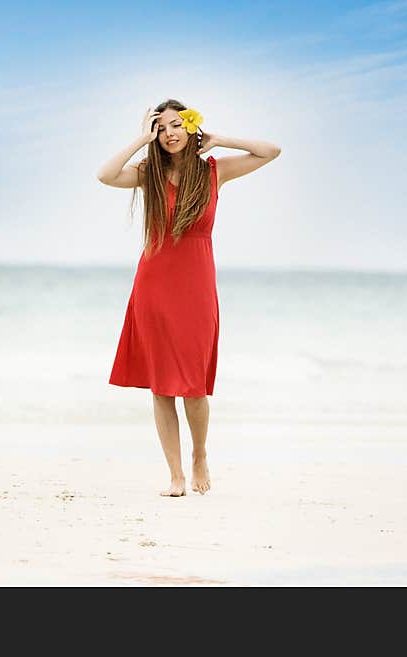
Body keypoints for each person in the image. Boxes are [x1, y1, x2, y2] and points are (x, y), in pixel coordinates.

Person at [96, 99, 280, 497]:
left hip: (196, 288)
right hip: (154, 286)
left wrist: (219, 140)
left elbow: (271, 151)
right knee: (160, 386)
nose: (170, 134)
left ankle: (199, 455)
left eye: (177, 125)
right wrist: (139, 139)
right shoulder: (149, 173)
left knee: (194, 386)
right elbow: (105, 175)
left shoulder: (215, 171)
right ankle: (176, 475)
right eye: (161, 129)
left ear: (191, 127)